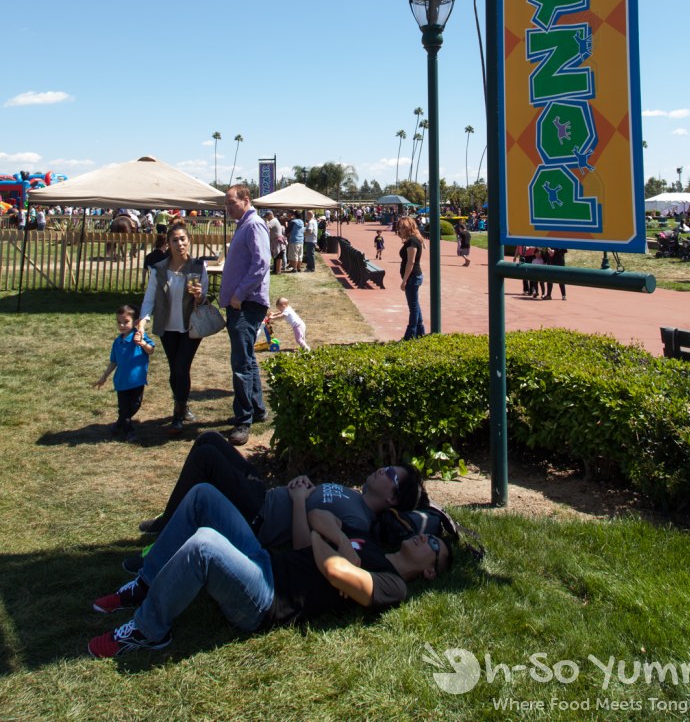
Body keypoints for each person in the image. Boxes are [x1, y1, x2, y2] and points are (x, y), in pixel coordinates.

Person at [87, 481, 451, 658]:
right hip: (265, 562)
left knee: (204, 545)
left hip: (265, 601)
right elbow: (317, 517)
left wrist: (334, 557)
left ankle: (150, 630)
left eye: (433, 546)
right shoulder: (368, 545)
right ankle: (146, 583)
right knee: (203, 495)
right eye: (427, 536)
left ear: (430, 572)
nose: (424, 540)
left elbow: (338, 574)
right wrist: (339, 545)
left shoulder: (393, 587)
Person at [124, 429, 425, 564]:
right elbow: (314, 497)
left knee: (206, 458)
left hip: (260, 518)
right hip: (264, 494)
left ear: (393, 499)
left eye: (391, 475)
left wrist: (297, 501)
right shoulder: (354, 495)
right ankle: (171, 517)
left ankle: (166, 536)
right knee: (210, 439)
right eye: (387, 467)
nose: (383, 470)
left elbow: (302, 548)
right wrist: (302, 484)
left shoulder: (357, 520)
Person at [138, 222, 208, 435]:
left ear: (189, 241)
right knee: (175, 369)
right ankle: (183, 405)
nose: (179, 244)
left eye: (183, 239)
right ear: (168, 244)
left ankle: (178, 414)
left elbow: (203, 299)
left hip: (190, 327)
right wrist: (142, 322)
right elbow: (150, 298)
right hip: (167, 326)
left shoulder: (198, 267)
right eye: (175, 240)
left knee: (180, 368)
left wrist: (199, 295)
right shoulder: (159, 269)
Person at [221, 184, 271, 445]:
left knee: (241, 363)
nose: (227, 207)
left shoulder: (253, 225)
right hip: (243, 303)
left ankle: (244, 420)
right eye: (226, 203)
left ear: (245, 200)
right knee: (248, 359)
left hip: (247, 304)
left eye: (231, 202)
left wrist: (239, 294)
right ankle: (257, 409)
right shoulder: (245, 224)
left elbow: (261, 263)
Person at [92, 305, 156, 441]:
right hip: (121, 382)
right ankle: (129, 432)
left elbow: (151, 350)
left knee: (135, 405)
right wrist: (104, 377)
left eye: (125, 321)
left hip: (137, 381)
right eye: (118, 322)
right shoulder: (117, 342)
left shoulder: (139, 337)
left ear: (135, 322)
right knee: (124, 409)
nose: (121, 325)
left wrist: (143, 344)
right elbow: (113, 362)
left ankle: (119, 424)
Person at [397, 216, 425, 340]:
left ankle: (410, 335)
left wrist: (404, 281)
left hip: (412, 277)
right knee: (415, 305)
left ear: (409, 228)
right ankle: (420, 332)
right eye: (399, 227)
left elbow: (411, 262)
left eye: (403, 227)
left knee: (413, 308)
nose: (400, 230)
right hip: (413, 277)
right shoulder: (413, 240)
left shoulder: (413, 241)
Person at [266, 210, 286, 275]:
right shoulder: (274, 220)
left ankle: (278, 271)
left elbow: (266, 227)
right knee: (276, 256)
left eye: (267, 216)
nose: (267, 218)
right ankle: (276, 270)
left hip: (277, 241)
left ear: (270, 215)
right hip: (276, 241)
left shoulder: (273, 221)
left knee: (278, 256)